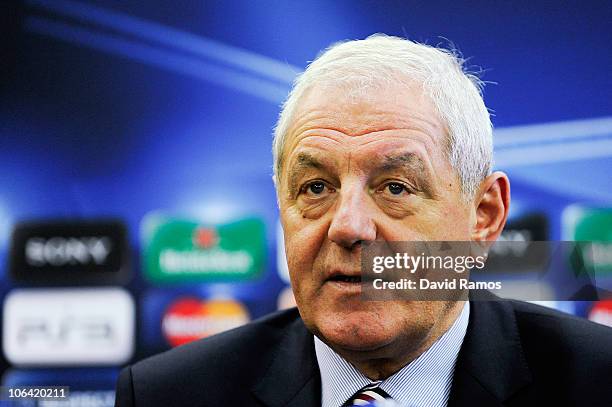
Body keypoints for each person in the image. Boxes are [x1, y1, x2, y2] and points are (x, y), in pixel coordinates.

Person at [115, 35, 612, 407]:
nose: (348, 227)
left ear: (484, 216)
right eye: (315, 188)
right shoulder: (168, 395)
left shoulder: (595, 380)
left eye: (395, 187)